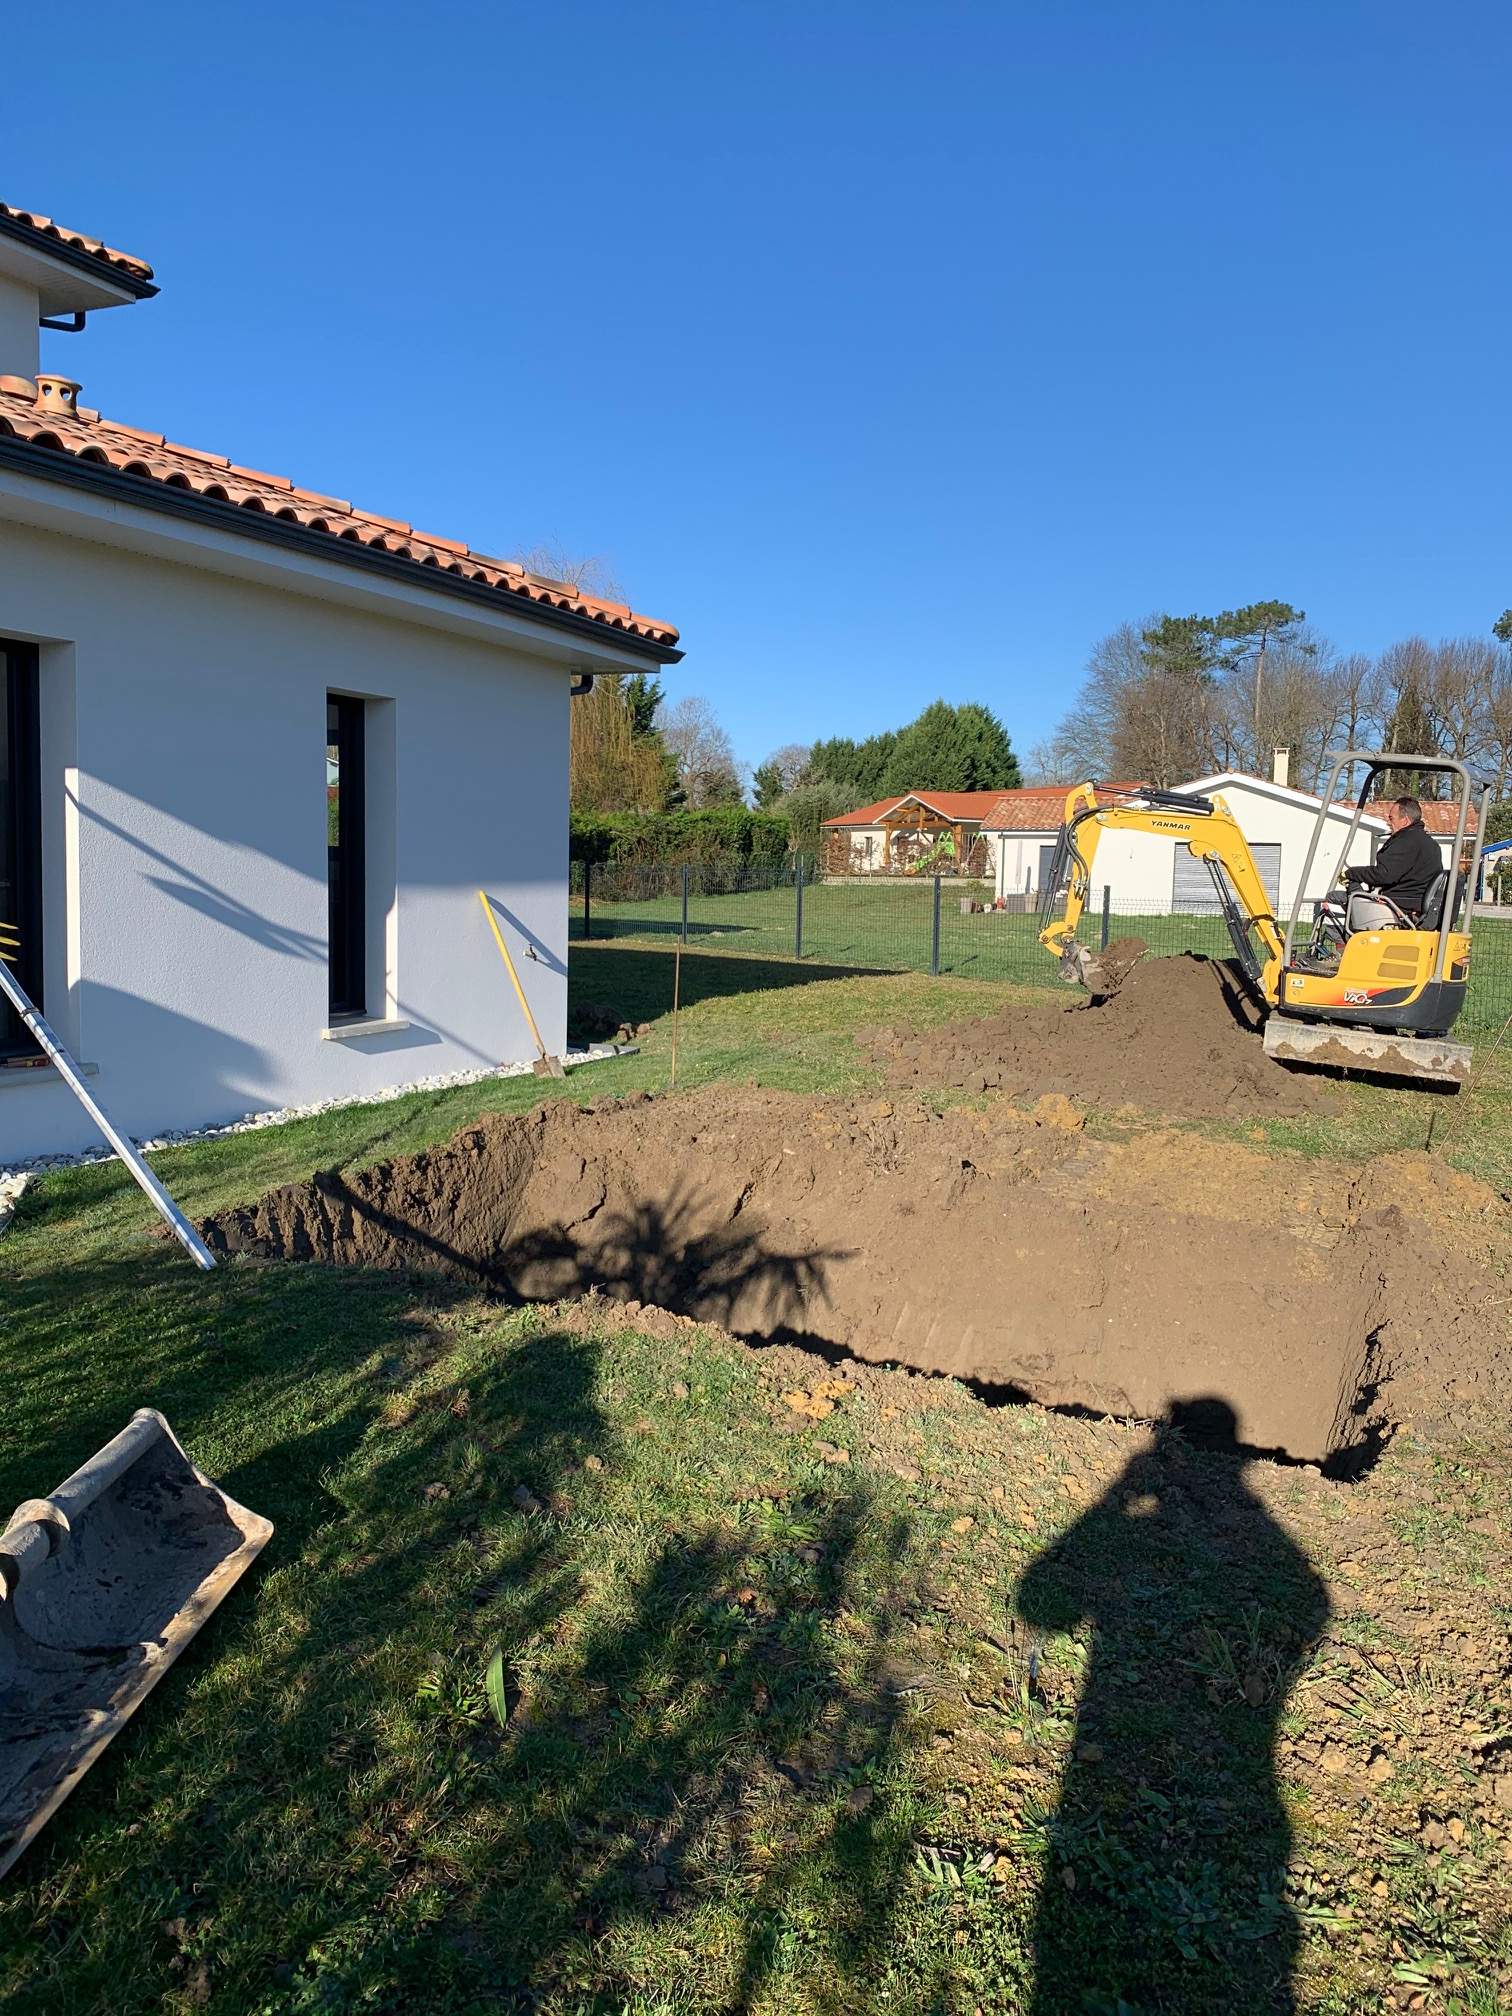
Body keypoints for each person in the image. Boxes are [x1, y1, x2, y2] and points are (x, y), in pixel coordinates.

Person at [1342, 796, 1443, 927]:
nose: (1388, 823)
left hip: (1397, 906)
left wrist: (1351, 873)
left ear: (1405, 821)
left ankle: (1343, 944)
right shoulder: (1430, 844)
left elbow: (1384, 875)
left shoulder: (1405, 842)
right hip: (1415, 904)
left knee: (1334, 899)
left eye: (1391, 818)